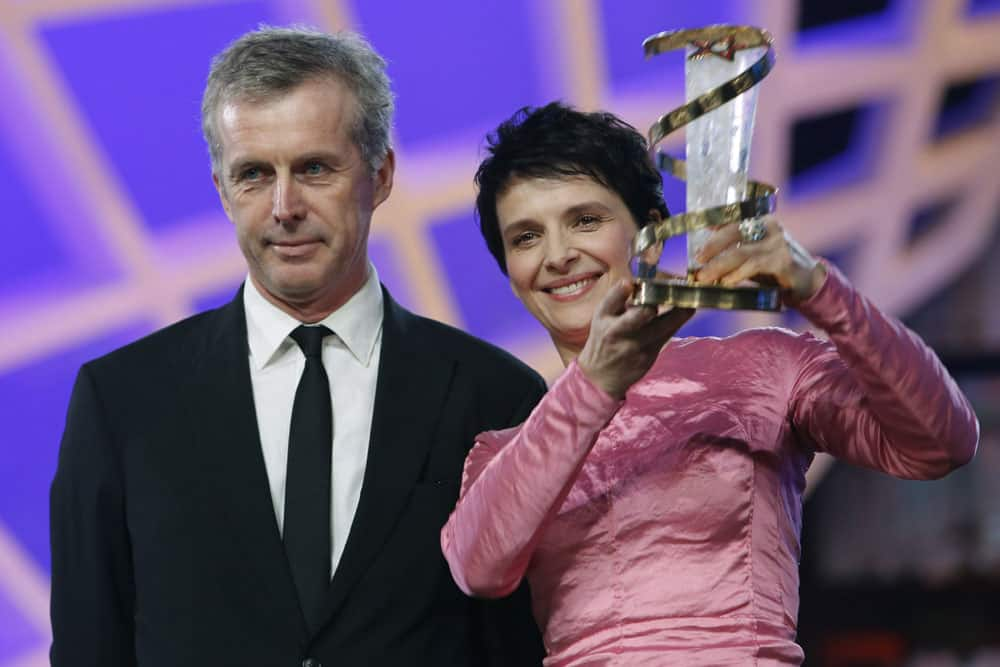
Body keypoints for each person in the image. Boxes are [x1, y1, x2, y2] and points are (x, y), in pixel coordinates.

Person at [50, 26, 546, 666]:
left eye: (315, 168)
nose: (284, 207)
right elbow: (90, 649)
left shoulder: (496, 394)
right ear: (222, 190)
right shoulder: (120, 402)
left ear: (381, 174)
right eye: (254, 174)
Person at [440, 102, 979, 666]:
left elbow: (942, 442)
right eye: (526, 237)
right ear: (509, 271)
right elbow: (479, 568)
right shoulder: (503, 453)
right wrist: (595, 385)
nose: (557, 256)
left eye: (585, 220)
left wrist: (820, 290)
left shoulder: (765, 366)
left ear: (649, 232)